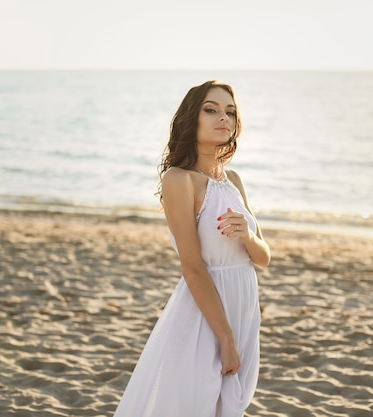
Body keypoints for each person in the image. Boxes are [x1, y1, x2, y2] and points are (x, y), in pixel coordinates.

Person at [113, 80, 270, 417]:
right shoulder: (178, 179)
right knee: (193, 404)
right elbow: (193, 267)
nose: (222, 118)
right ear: (191, 119)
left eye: (230, 111)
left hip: (243, 307)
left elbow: (263, 258)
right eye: (210, 110)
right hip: (205, 313)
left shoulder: (234, 180)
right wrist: (225, 338)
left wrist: (248, 236)